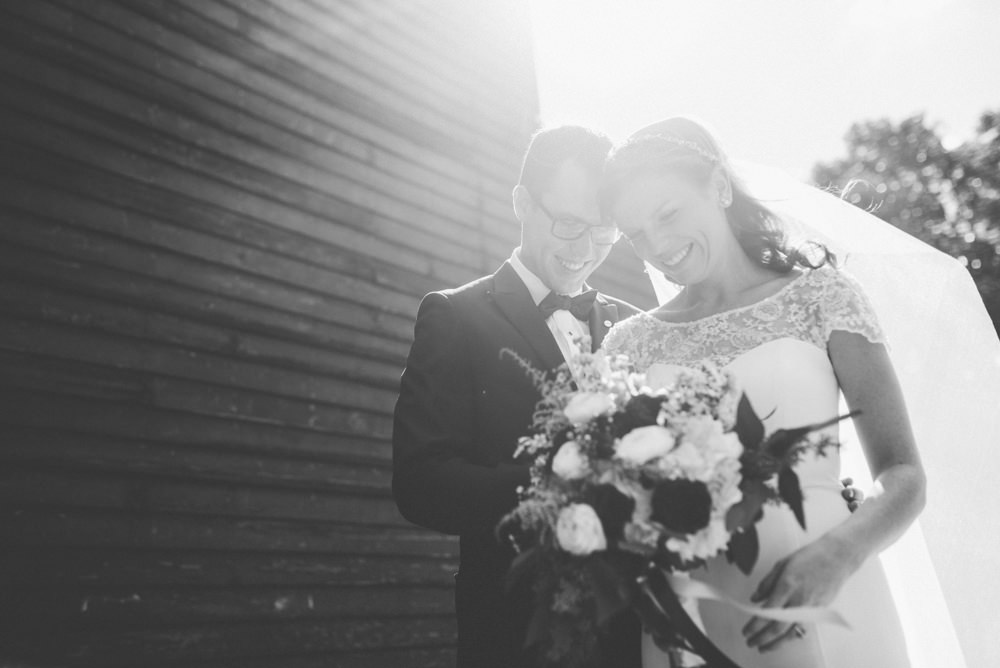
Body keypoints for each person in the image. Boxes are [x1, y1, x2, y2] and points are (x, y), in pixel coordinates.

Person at [600, 117, 927, 667]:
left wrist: (839, 554)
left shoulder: (822, 298)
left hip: (830, 593)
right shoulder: (629, 343)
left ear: (719, 187)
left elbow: (904, 475)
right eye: (636, 235)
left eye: (669, 213)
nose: (658, 246)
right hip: (689, 615)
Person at [392, 125, 643, 668]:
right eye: (570, 223)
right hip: (513, 630)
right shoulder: (455, 316)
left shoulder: (636, 327)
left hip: (634, 630)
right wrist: (558, 487)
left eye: (605, 231)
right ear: (521, 204)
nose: (585, 249)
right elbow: (420, 482)